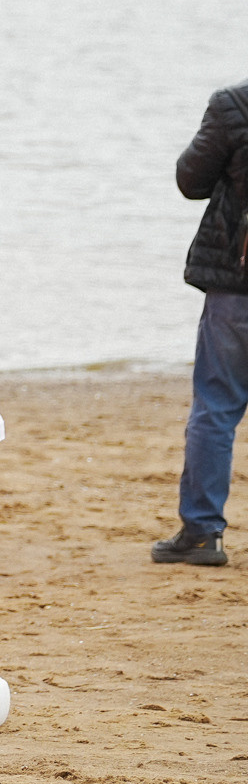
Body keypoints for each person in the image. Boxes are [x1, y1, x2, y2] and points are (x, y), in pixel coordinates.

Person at [154, 75, 248, 567]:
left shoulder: (233, 104)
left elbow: (190, 180)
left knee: (215, 409)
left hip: (237, 284)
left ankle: (203, 532)